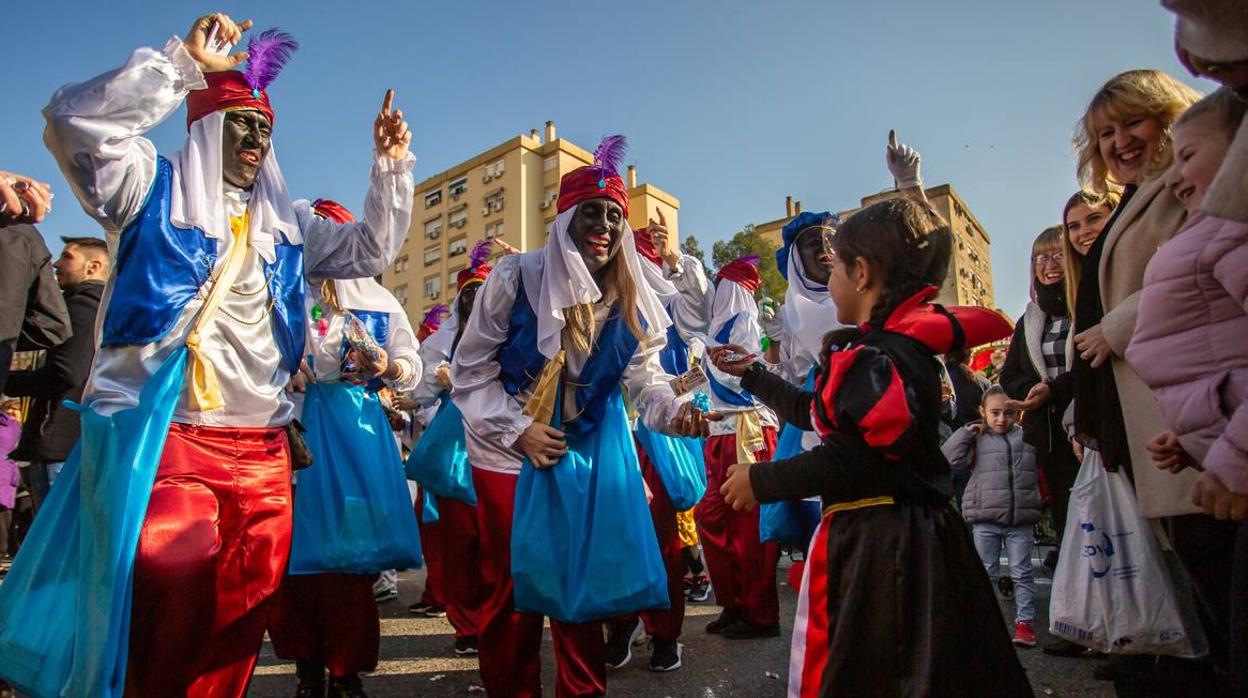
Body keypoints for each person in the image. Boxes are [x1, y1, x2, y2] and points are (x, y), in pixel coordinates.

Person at [16, 12, 416, 696]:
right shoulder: (148, 188)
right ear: (206, 128)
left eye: (266, 127)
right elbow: (73, 124)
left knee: (244, 605)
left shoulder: (291, 225)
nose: (257, 138)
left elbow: (370, 252)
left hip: (263, 446)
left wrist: (389, 168)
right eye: (242, 123)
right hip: (168, 436)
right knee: (171, 579)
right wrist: (180, 66)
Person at [709, 196, 1028, 697]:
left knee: (879, 669)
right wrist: (752, 374)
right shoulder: (889, 350)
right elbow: (817, 411)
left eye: (833, 266)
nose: (826, 278)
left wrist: (763, 480)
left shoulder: (874, 357)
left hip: (883, 549)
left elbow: (853, 455)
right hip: (913, 539)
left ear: (860, 274)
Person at [450, 135, 712, 697]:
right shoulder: (514, 277)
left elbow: (645, 383)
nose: (605, 225)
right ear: (564, 217)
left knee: (580, 592)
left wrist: (676, 415)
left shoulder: (630, 295)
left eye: (615, 216)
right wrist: (518, 431)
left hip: (583, 452)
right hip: (505, 456)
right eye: (592, 213)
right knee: (513, 592)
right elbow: (470, 373)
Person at [268, 199, 422, 698]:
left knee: (350, 560)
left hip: (356, 435)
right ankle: (307, 665)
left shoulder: (377, 300)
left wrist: (389, 367)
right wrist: (279, 367)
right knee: (293, 554)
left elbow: (409, 362)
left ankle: (346, 669)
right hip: (289, 426)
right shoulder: (278, 286)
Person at [1126, 86, 1248, 693]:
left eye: (1187, 156)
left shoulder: (1231, 231)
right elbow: (1223, 347)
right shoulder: (1211, 229)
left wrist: (1232, 457)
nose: (1175, 178)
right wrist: (1197, 428)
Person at [603, 214, 713, 673]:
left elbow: (706, 317)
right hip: (611, 436)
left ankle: (665, 633)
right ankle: (623, 622)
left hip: (659, 439)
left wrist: (677, 393)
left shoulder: (676, 308)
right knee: (615, 538)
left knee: (663, 538)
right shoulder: (602, 300)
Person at [406, 241, 494, 656]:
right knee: (458, 543)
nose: (477, 300)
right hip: (452, 452)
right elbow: (418, 390)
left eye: (484, 291)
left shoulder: (512, 332)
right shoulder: (442, 343)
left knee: (495, 541)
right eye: (470, 293)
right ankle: (466, 625)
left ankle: (498, 619)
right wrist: (437, 378)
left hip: (500, 444)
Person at [696, 255, 782, 640]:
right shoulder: (715, 330)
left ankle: (760, 615)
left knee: (748, 527)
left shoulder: (744, 323)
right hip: (718, 433)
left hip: (747, 431)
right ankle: (732, 602)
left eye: (723, 286)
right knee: (712, 517)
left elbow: (742, 380)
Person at [6, 236, 108, 513]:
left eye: (67, 257)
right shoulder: (103, 307)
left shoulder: (82, 306)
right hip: (73, 444)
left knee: (53, 545)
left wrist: (8, 379)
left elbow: (67, 371)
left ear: (93, 267)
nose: (56, 264)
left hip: (58, 445)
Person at [999, 227, 1078, 570]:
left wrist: (1057, 389)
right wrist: (1029, 392)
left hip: (1094, 426)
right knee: (1069, 520)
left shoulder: (1090, 303)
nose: (1050, 264)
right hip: (1051, 436)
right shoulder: (1030, 319)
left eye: (1058, 254)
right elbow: (1011, 374)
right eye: (1040, 258)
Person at [942, 385, 1043, 648]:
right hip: (985, 517)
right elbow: (948, 459)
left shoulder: (1028, 438)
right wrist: (966, 432)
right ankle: (985, 622)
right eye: (995, 413)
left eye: (1008, 413)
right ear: (982, 412)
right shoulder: (977, 439)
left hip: (1020, 518)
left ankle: (1025, 624)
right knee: (986, 572)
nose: (1001, 419)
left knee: (1022, 572)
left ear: (1018, 413)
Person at [1059, 189, 1120, 317]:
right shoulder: (1081, 286)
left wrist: (1108, 329)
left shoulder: (1144, 266)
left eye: (1093, 219)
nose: (1083, 232)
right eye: (1074, 226)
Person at [0, 400, 20, 563]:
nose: (13, 413)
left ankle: (8, 550)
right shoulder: (8, 426)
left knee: (10, 517)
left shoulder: (14, 427)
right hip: (6, 475)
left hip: (12, 476)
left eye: (16, 410)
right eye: (11, 410)